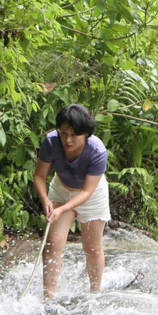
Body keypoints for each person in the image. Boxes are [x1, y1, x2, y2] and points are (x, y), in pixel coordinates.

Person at [33, 104, 110, 300]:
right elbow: (40, 176)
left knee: (92, 248)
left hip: (92, 195)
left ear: (85, 134)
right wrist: (46, 200)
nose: (67, 139)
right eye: (63, 133)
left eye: (74, 135)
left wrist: (63, 209)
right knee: (53, 243)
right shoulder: (51, 142)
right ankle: (48, 298)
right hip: (62, 189)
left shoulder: (97, 151)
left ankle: (95, 294)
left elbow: (87, 192)